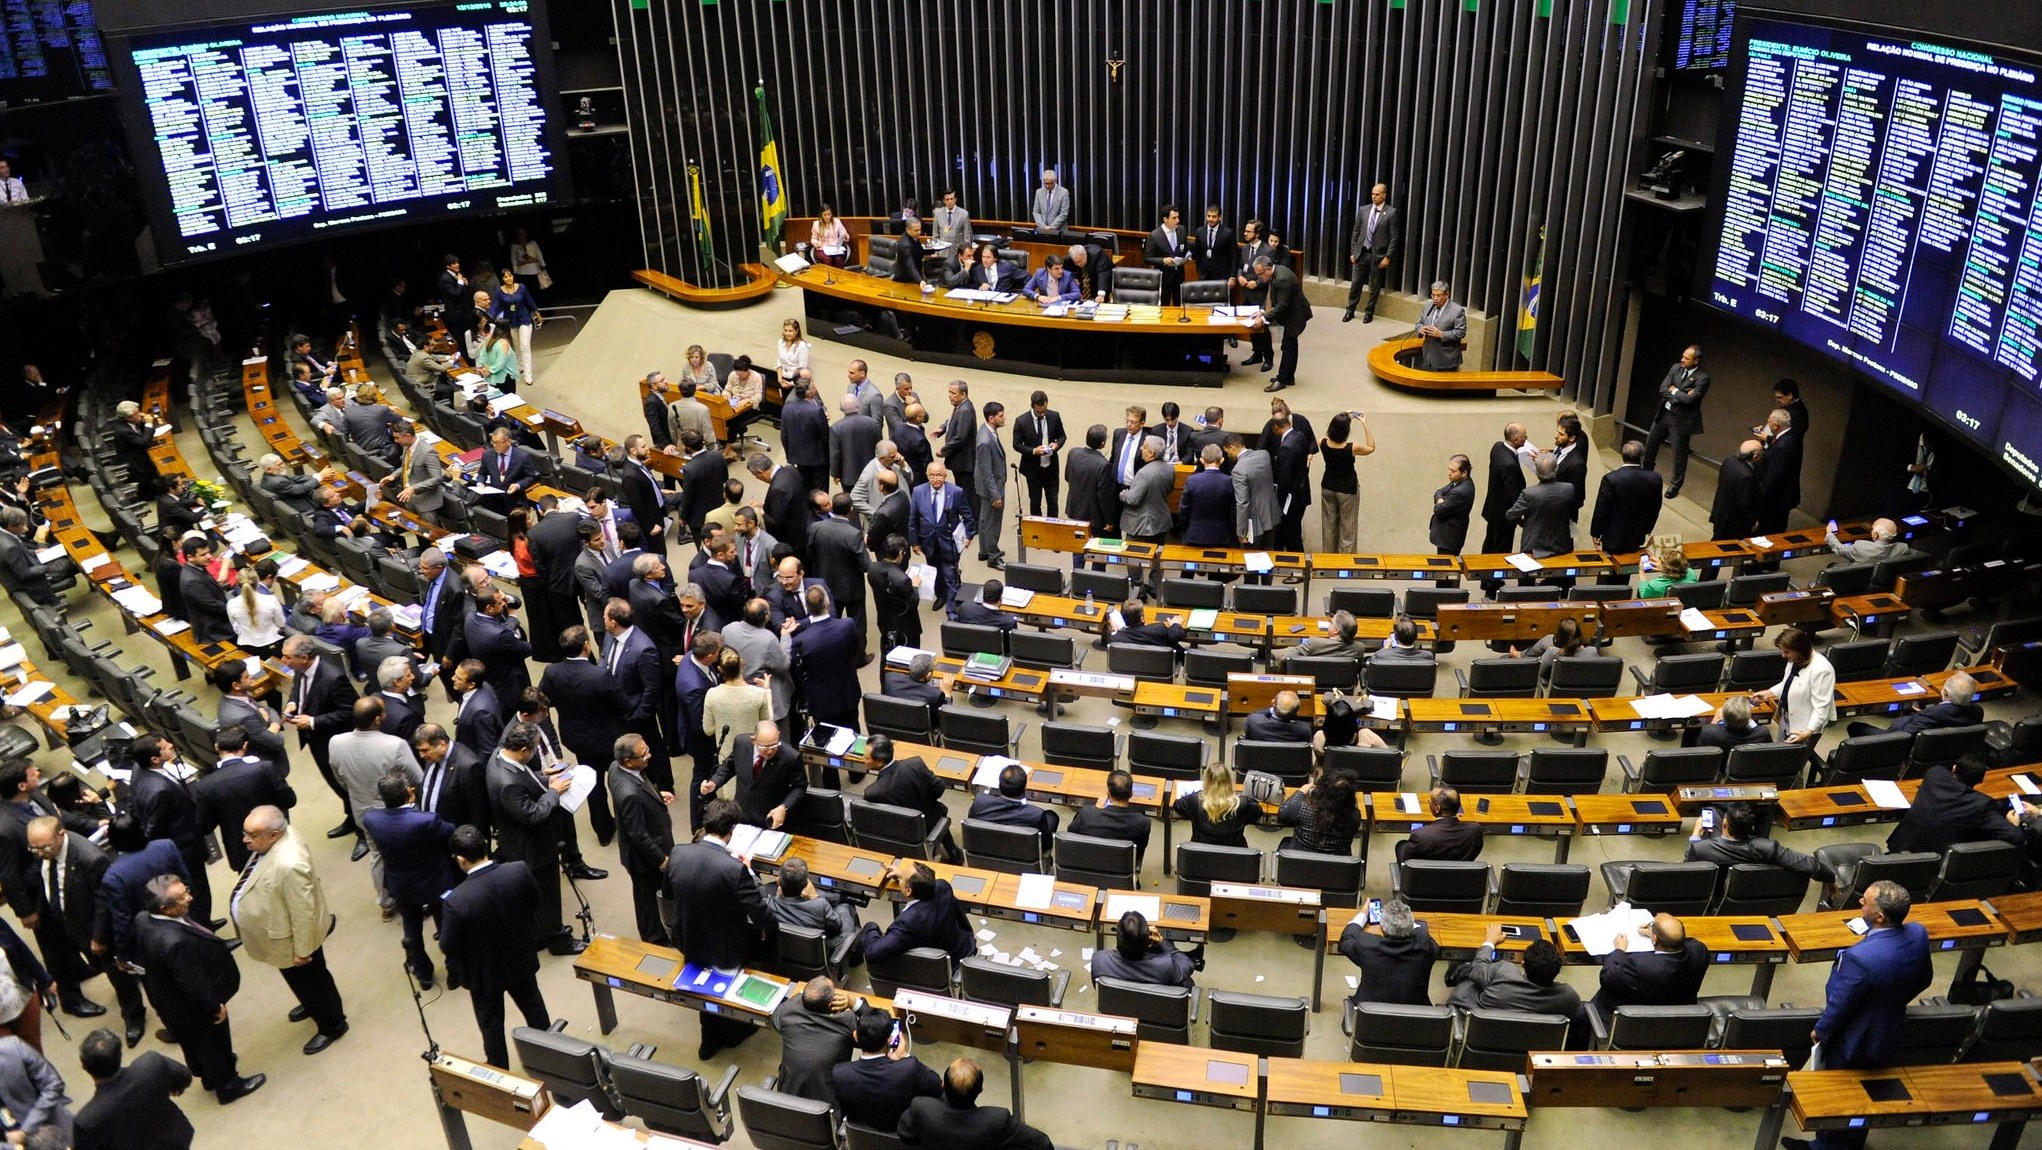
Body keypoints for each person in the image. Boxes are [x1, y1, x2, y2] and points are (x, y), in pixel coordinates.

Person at [1784, 881, 1932, 1150]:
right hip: (1891, 1030)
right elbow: (1925, 979)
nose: (1859, 903)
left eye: (1865, 902)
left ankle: (1824, 1147)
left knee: (1841, 1096)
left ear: (1879, 917)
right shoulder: (1918, 933)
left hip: (1854, 1039)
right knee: (1865, 1096)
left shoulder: (1860, 958)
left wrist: (1821, 1031)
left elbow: (1840, 1003)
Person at [132, 875, 264, 1104]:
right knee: (214, 1040)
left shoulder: (143, 919)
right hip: (193, 1005)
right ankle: (228, 1085)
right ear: (165, 908)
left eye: (186, 891)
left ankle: (209, 1076)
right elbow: (193, 983)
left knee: (194, 1042)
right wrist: (215, 1006)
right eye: (182, 897)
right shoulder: (176, 942)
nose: (190, 898)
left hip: (169, 999)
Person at [228, 807, 349, 1055]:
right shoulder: (282, 836)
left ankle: (332, 1024)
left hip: (294, 942)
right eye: (245, 833)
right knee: (304, 983)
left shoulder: (289, 864)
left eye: (252, 835)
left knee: (313, 980)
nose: (245, 840)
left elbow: (302, 912)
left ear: (274, 835)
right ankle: (311, 1005)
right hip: (282, 935)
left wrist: (303, 951)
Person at [665, 799, 778, 1057]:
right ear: (732, 829)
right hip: (724, 945)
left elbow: (669, 893)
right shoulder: (735, 869)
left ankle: (709, 1039)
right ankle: (733, 1032)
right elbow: (759, 912)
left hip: (687, 936)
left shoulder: (679, 852)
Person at [440, 825, 552, 1069]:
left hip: (484, 973)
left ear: (460, 859)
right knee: (535, 1009)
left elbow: (448, 944)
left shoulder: (456, 900)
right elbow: (534, 901)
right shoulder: (518, 871)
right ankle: (553, 1057)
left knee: (491, 1026)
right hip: (520, 957)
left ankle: (499, 1069)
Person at [488, 722, 584, 956]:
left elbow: (526, 778)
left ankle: (539, 935)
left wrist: (543, 777)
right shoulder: (508, 784)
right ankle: (559, 941)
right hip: (532, 849)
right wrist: (554, 792)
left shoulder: (499, 756)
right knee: (547, 897)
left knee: (535, 897)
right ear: (523, 751)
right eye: (532, 751)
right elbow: (532, 815)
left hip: (519, 843)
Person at [359, 771, 457, 990]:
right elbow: (450, 832)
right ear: (410, 792)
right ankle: (454, 972)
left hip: (402, 885)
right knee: (446, 926)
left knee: (412, 932)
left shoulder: (372, 819)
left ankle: (423, 975)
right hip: (436, 881)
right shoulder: (426, 820)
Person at [190, 727, 296, 873]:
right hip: (276, 839)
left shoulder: (205, 785)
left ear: (216, 747)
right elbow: (290, 800)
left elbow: (205, 827)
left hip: (242, 851)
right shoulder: (265, 768)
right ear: (245, 745)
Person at [72, 1027, 195, 1150]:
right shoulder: (151, 1064)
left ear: (83, 1066)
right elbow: (184, 1077)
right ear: (120, 1054)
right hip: (174, 1141)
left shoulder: (87, 1119)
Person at [1887, 754, 2024, 855]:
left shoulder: (1934, 775)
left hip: (1901, 843)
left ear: (1954, 768)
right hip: (1933, 857)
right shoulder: (1980, 804)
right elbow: (2016, 837)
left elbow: (1942, 772)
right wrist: (2013, 823)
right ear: (1980, 780)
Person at [1588, 912, 1709, 1025]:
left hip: (1631, 1024)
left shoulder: (1638, 966)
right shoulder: (1700, 952)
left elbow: (1608, 977)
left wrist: (1619, 950)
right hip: (1679, 1021)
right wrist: (1657, 934)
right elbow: (1687, 942)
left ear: (1655, 939)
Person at [834, 1006, 941, 1132]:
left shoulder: (840, 1073)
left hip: (860, 1139)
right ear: (889, 1039)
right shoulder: (909, 1068)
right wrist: (904, 1057)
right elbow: (937, 1086)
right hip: (900, 1136)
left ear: (856, 1036)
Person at [1445, 932, 1581, 1024]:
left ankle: (1457, 970)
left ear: (1523, 964)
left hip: (1474, 1026)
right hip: (1524, 1047)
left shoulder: (1503, 972)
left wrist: (1490, 941)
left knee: (1471, 972)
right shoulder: (1568, 997)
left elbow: (1478, 966)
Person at [771, 977, 865, 1106]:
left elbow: (776, 1019)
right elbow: (877, 1029)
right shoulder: (847, 1022)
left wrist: (803, 999)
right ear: (831, 1004)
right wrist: (855, 1004)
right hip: (827, 1106)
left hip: (788, 1101)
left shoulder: (787, 1012)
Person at [859, 860, 974, 964]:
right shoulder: (943, 887)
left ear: (908, 891)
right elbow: (961, 918)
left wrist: (872, 928)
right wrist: (901, 876)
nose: (901, 877)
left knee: (869, 930)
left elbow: (872, 954)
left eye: (903, 878)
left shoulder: (908, 923)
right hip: (963, 948)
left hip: (943, 967)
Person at [1685, 802, 1832, 883]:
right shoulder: (1767, 847)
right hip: (1745, 887)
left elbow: (1687, 869)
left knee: (1710, 809)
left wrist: (1695, 836)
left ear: (1724, 825)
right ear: (1752, 828)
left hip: (1714, 888)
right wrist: (1831, 881)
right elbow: (1813, 865)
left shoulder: (1700, 848)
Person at [1338, 898, 1438, 1007]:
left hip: (1370, 1018)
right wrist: (1406, 923)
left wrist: (1363, 914)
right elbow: (1426, 936)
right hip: (1417, 1019)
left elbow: (1346, 940)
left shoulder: (1366, 946)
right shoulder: (1426, 946)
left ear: (1382, 927)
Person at [1751, 627, 1834, 756]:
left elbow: (1822, 706)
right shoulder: (1795, 659)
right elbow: (1788, 683)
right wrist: (1769, 693)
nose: (1783, 655)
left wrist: (1809, 731)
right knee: (1780, 753)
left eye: (1787, 652)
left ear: (1800, 650)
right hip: (1787, 716)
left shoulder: (1822, 670)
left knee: (1794, 762)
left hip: (1805, 724)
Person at [909, 462, 974, 613]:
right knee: (935, 571)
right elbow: (913, 519)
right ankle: (941, 595)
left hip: (950, 542)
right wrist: (915, 542)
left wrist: (969, 536)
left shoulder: (956, 492)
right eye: (932, 475)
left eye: (939, 475)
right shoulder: (918, 492)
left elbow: (968, 516)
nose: (935, 479)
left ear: (945, 475)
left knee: (950, 574)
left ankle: (952, 610)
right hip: (928, 542)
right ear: (927, 476)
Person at [1588, 441, 1663, 555]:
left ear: (1622, 455)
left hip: (1612, 536)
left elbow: (1602, 509)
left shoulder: (1611, 479)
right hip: (1637, 534)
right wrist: (1648, 528)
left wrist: (1596, 532)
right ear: (1641, 457)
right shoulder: (1655, 478)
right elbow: (1656, 507)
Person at [1251, 254, 1311, 392]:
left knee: (1288, 348)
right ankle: (1288, 377)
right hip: (1290, 313)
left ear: (1268, 269)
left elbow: (1281, 305)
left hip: (1295, 316)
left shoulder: (1282, 279)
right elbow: (1270, 297)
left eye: (1260, 275)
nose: (1260, 278)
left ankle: (1282, 380)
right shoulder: (1276, 273)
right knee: (1289, 346)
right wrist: (1262, 311)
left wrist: (1264, 319)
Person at [1318, 412, 1377, 552]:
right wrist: (1364, 424)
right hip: (1347, 490)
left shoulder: (1323, 442)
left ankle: (1327, 563)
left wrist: (1343, 417)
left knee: (1328, 528)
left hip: (1328, 486)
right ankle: (1345, 565)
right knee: (1348, 530)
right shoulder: (1351, 448)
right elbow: (1371, 447)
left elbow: (1328, 433)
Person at [1091, 910, 1195, 988]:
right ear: (1147, 941)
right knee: (1187, 982)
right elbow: (1188, 964)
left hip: (1119, 1011)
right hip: (1156, 1013)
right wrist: (1161, 941)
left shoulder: (1099, 960)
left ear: (1117, 936)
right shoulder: (1166, 967)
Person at [1068, 771, 1152, 866]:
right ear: (1131, 794)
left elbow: (1071, 834)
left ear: (1108, 793)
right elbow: (1139, 850)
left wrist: (1095, 811)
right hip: (1121, 868)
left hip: (1088, 864)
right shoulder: (1143, 823)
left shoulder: (1087, 813)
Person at [1344, 183, 1401, 322]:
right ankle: (1350, 310)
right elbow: (1356, 232)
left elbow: (1394, 237)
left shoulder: (1391, 212)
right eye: (1372, 194)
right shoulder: (1363, 210)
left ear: (1384, 195)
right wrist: (1353, 251)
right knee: (1355, 284)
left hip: (1378, 256)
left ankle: (1369, 312)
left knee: (1374, 286)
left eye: (1377, 194)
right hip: (1361, 253)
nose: (1374, 197)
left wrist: (1388, 257)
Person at [1275, 769, 1362, 855]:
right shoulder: (1355, 817)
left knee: (1286, 842)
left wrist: (1300, 792)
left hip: (1301, 864)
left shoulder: (1304, 809)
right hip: (1336, 867)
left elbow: (1283, 814)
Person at [1171, 761, 1257, 847]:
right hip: (1234, 858)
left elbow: (1177, 805)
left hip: (1200, 857)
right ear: (1229, 782)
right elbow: (1258, 811)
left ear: (1206, 782)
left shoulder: (1194, 801)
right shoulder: (1242, 804)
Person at [1506, 453, 1574, 559]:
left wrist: (1523, 523)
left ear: (1537, 472)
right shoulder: (1569, 489)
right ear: (1556, 469)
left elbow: (1511, 515)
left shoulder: (1529, 493)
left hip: (1534, 547)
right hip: (1561, 545)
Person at [1479, 423, 1530, 554]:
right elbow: (1511, 496)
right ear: (1516, 439)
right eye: (1525, 436)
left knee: (1490, 544)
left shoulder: (1497, 447)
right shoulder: (1510, 465)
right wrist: (1519, 518)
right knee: (1501, 550)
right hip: (1504, 518)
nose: (1526, 438)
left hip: (1493, 510)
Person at [1396, 787, 1484, 863]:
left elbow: (1407, 861)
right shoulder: (1475, 830)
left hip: (1425, 878)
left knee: (1401, 845)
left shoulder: (1421, 835)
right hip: (1461, 878)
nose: (1429, 802)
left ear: (1437, 808)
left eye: (1429, 801)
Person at [1754, 408, 1803, 535]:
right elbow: (1779, 443)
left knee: (1768, 530)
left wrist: (1759, 497)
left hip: (1775, 499)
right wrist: (1767, 438)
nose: (1767, 424)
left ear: (1775, 426)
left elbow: (1773, 476)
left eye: (1768, 422)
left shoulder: (1781, 447)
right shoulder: (1792, 437)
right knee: (1778, 526)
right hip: (1786, 494)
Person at [491, 268, 542, 386]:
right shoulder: (499, 291)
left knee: (525, 346)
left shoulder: (522, 287)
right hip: (510, 322)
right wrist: (489, 318)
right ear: (502, 279)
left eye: (510, 276)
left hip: (524, 319)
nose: (509, 278)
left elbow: (529, 301)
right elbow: (495, 306)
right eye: (505, 277)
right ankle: (519, 365)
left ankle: (528, 375)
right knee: (516, 346)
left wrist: (536, 312)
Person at [1512, 617, 1586, 687]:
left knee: (1547, 640)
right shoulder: (1592, 651)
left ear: (1559, 636)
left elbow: (1539, 673)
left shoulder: (1552, 652)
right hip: (1581, 692)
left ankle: (1520, 655)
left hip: (1554, 694)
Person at [1429, 454, 1476, 559]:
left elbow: (1439, 510)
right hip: (1447, 535)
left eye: (1453, 471)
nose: (1449, 473)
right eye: (1449, 469)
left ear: (1464, 473)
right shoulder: (1458, 482)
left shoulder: (1460, 491)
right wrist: (1441, 500)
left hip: (1449, 538)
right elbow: (1439, 492)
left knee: (1444, 568)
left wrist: (1439, 501)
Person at [1142, 206, 1191, 304]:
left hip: (1179, 276)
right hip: (1164, 277)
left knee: (1180, 303)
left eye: (1178, 217)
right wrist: (1162, 260)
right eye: (1174, 218)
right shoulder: (1154, 235)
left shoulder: (1181, 230)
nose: (1178, 220)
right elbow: (1147, 258)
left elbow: (1184, 249)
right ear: (1165, 219)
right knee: (1164, 304)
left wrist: (1186, 257)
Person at [1414, 281, 1468, 371]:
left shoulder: (1457, 310)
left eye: (1438, 295)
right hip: (1427, 357)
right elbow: (1419, 323)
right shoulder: (1428, 306)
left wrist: (1441, 334)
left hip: (1446, 361)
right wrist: (1420, 329)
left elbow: (1461, 332)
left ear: (1447, 295)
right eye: (1433, 295)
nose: (1435, 298)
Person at [1690, 695, 1773, 751]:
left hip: (1720, 767)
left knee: (1690, 733)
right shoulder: (1762, 733)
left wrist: (1714, 722)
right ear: (1748, 717)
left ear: (1724, 717)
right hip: (1745, 768)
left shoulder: (1709, 732)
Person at [1826, 517, 1916, 566]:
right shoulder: (1903, 548)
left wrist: (1829, 534)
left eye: (1872, 530)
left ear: (1876, 535)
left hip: (1858, 580)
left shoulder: (1860, 547)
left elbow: (1839, 548)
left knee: (1832, 565)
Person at [1107, 600, 1186, 655]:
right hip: (1158, 670)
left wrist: (1113, 630)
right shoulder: (1158, 630)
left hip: (1131, 671)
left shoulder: (1115, 639)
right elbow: (1176, 635)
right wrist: (1175, 624)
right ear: (1141, 618)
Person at [1246, 690, 1313, 742]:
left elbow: (1254, 714)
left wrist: (1272, 708)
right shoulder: (1304, 730)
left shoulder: (1253, 722)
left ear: (1273, 703)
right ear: (1297, 712)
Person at [1029, 169, 1069, 233]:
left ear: (1055, 181)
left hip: (1059, 230)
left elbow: (1064, 213)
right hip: (1042, 230)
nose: (1047, 185)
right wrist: (1043, 227)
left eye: (1050, 183)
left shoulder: (1064, 192)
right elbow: (1036, 211)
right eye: (1045, 183)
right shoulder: (1039, 192)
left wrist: (1052, 227)